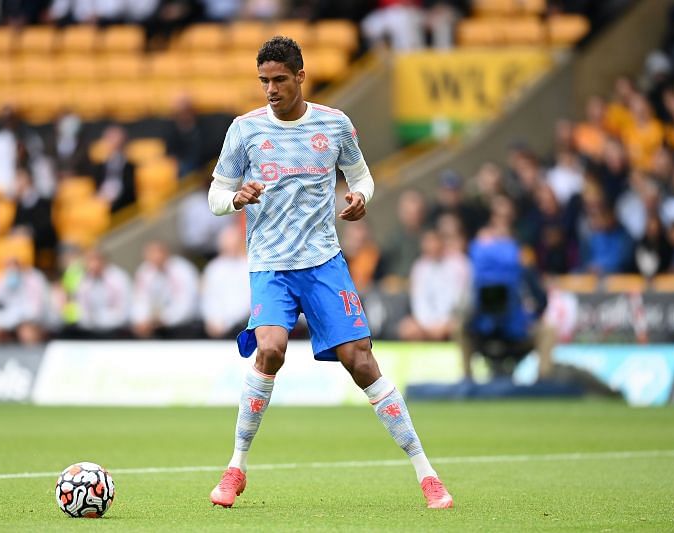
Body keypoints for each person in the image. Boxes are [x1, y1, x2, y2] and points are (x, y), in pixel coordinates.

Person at [206, 36, 453, 510]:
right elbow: (217, 193)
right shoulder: (245, 130)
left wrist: (362, 197)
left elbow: (360, 176)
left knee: (360, 361)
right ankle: (236, 467)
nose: (271, 89)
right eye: (264, 81)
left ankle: (427, 473)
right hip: (271, 264)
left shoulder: (334, 125)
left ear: (301, 76)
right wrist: (235, 199)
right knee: (271, 349)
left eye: (279, 80)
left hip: (322, 262)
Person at [457, 196, 555, 380]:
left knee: (547, 330)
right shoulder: (489, 252)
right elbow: (541, 299)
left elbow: (539, 295)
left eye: (506, 216)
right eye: (498, 216)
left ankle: (543, 382)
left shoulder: (517, 252)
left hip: (515, 330)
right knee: (459, 326)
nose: (502, 221)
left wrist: (528, 316)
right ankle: (467, 379)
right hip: (486, 330)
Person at [398, 229, 470, 341]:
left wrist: (442, 324)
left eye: (433, 241)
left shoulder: (459, 263)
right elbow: (418, 301)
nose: (430, 246)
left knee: (456, 327)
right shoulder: (419, 267)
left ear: (441, 241)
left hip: (452, 320)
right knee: (406, 328)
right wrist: (428, 325)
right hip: (425, 324)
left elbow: (461, 300)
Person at [130, 241, 201, 339]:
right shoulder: (144, 271)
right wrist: (142, 319)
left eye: (157, 254)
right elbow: (140, 299)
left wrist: (164, 319)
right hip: (155, 326)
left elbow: (187, 303)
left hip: (183, 325)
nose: (155, 259)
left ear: (166, 253)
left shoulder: (182, 270)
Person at [0, 258, 50, 345]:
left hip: (27, 320)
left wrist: (20, 318)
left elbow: (36, 310)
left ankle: (33, 355)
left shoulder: (34, 279)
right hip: (5, 319)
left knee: (27, 333)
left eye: (15, 267)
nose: (12, 271)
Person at [200, 225, 250, 339]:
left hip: (241, 325)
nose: (230, 249)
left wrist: (227, 322)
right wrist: (212, 319)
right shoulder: (213, 268)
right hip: (215, 326)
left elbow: (249, 300)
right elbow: (208, 297)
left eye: (233, 245)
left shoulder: (248, 266)